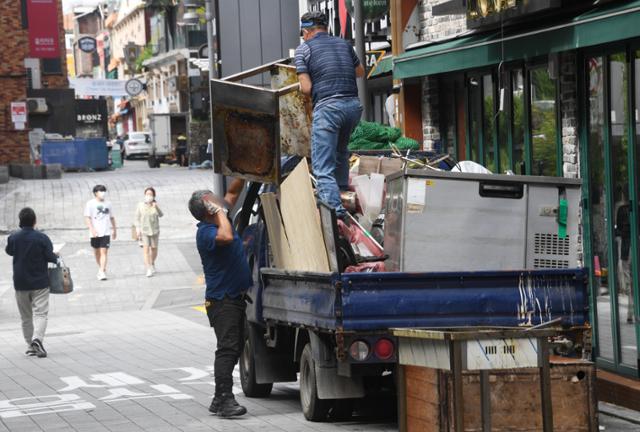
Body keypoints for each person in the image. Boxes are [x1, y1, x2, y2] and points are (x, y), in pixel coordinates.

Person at [188, 178, 251, 418]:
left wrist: (244, 171)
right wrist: (220, 213)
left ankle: (217, 398)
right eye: (213, 200)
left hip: (233, 298)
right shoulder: (206, 232)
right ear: (207, 209)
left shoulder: (218, 218)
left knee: (234, 347)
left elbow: (233, 192)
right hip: (221, 301)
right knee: (227, 349)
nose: (219, 201)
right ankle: (225, 400)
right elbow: (225, 236)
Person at [295, 11, 364, 218]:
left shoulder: (304, 49)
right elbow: (360, 71)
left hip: (329, 108)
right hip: (353, 106)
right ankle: (343, 197)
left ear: (306, 31)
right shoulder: (344, 44)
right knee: (341, 153)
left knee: (323, 167)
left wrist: (301, 84)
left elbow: (306, 88)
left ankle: (335, 214)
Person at [5, 207, 58, 358]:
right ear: (35, 221)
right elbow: (51, 257)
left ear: (20, 222)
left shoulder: (13, 237)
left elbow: (9, 251)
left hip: (20, 283)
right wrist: (56, 255)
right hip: (40, 282)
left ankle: (30, 345)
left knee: (26, 317)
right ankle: (37, 340)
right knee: (41, 313)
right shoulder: (42, 238)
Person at [84, 184, 117, 280]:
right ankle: (101, 268)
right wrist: (92, 229)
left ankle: (102, 271)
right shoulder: (90, 204)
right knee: (97, 252)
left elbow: (112, 217)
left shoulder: (108, 204)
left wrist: (114, 229)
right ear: (95, 193)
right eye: (100, 191)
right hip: (95, 233)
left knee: (104, 252)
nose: (103, 193)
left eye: (104, 191)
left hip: (106, 232)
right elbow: (87, 217)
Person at [135, 187, 163, 277]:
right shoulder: (140, 205)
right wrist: (137, 229)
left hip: (154, 230)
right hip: (144, 231)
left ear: (154, 196)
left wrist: (156, 207)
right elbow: (136, 218)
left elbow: (161, 215)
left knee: (154, 249)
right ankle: (148, 268)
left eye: (150, 194)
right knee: (146, 250)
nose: (148, 196)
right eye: (147, 194)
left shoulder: (156, 205)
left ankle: (152, 262)